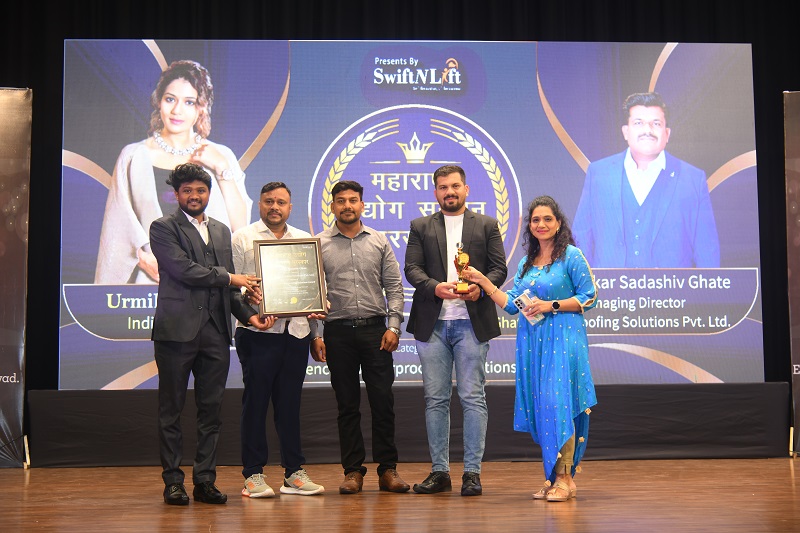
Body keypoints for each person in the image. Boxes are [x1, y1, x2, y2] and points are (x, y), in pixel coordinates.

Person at [464, 195, 597, 502]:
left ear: (559, 223)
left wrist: (551, 305)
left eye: (547, 219)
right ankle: (554, 478)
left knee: (557, 404)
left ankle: (565, 478)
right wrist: (483, 281)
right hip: (534, 344)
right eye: (536, 220)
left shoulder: (571, 256)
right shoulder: (527, 263)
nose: (541, 224)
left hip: (564, 340)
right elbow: (513, 305)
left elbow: (589, 297)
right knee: (543, 409)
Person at [150, 163, 268, 506]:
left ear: (209, 193)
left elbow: (228, 289)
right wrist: (233, 278)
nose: (194, 196)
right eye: (187, 190)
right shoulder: (163, 227)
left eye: (200, 190)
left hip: (216, 333)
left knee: (211, 412)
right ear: (176, 194)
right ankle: (173, 482)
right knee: (171, 410)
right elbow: (184, 270)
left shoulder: (220, 230)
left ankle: (204, 480)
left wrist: (250, 316)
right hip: (176, 332)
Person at [95, 59, 252, 284]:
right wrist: (143, 259)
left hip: (209, 284)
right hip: (151, 285)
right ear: (159, 101)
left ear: (201, 108)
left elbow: (240, 229)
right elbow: (116, 229)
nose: (177, 110)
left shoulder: (221, 155)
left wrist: (222, 169)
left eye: (189, 102)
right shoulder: (133, 156)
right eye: (170, 99)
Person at [404, 164, 508, 497]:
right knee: (435, 400)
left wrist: (481, 287)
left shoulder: (487, 224)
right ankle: (440, 472)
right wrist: (434, 287)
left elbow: (499, 268)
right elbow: (412, 268)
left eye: (455, 186)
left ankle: (472, 473)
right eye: (443, 187)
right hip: (432, 324)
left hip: (471, 324)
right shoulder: (420, 226)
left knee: (472, 398)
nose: (450, 192)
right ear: (436, 192)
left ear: (466, 189)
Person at [311, 180, 410, 495]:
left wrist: (393, 327)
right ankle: (353, 472)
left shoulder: (379, 240)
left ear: (362, 205)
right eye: (341, 201)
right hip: (337, 332)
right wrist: (315, 335)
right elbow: (312, 293)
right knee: (347, 405)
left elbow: (394, 287)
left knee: (383, 402)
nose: (347, 206)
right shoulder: (319, 243)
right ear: (332, 206)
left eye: (353, 200)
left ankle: (387, 470)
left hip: (375, 332)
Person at [231, 182, 324, 498]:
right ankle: (253, 475)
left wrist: (316, 331)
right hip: (257, 332)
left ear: (290, 207)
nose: (275, 207)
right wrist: (250, 305)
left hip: (296, 333)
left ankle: (293, 473)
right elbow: (232, 287)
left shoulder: (304, 240)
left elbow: (315, 288)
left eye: (281, 202)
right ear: (259, 204)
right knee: (255, 404)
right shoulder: (243, 238)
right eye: (269, 201)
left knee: (290, 406)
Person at [573, 91, 720, 268]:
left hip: (672, 285)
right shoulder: (599, 173)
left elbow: (707, 250)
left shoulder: (692, 179)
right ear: (626, 132)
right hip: (609, 285)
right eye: (638, 123)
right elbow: (581, 237)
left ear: (667, 133)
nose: (647, 130)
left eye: (656, 124)